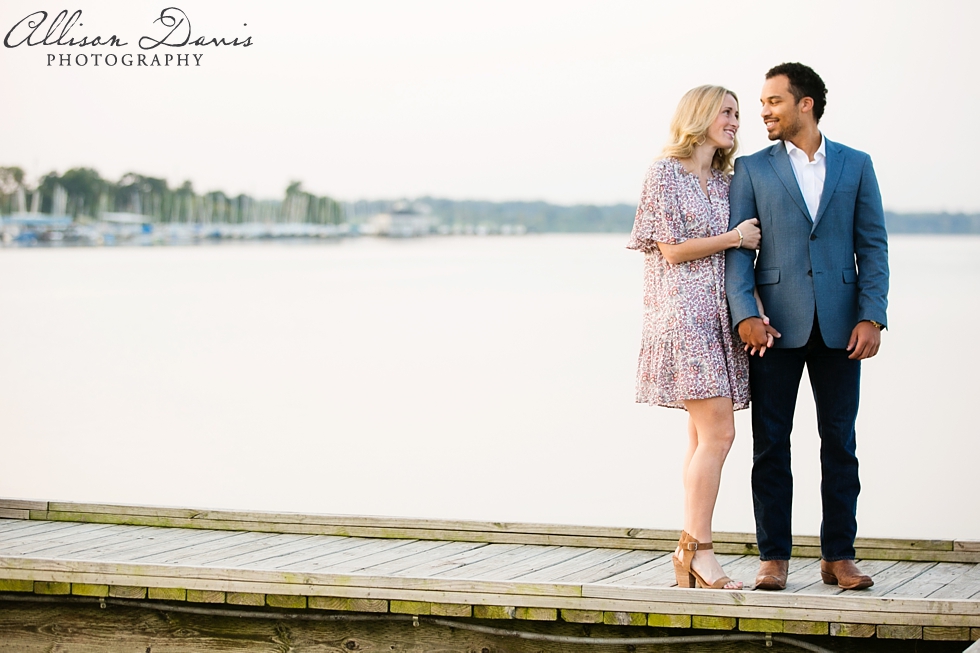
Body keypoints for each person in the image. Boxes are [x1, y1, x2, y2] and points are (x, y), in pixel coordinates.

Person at [725, 63, 889, 591]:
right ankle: (773, 557)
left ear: (806, 104)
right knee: (770, 444)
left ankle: (839, 556)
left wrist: (872, 315)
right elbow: (738, 250)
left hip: (843, 328)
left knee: (840, 443)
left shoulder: (856, 165)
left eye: (773, 101)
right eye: (761, 103)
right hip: (772, 328)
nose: (763, 111)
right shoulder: (751, 169)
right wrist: (745, 314)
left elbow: (873, 246)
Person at [627, 85, 769, 590]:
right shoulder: (665, 172)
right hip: (684, 320)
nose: (735, 121)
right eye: (726, 112)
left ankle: (688, 551)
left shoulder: (727, 181)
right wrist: (735, 237)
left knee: (701, 437)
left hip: (720, 318)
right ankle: (699, 552)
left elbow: (739, 261)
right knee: (719, 435)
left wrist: (755, 308)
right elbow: (671, 250)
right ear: (701, 115)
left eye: (737, 114)